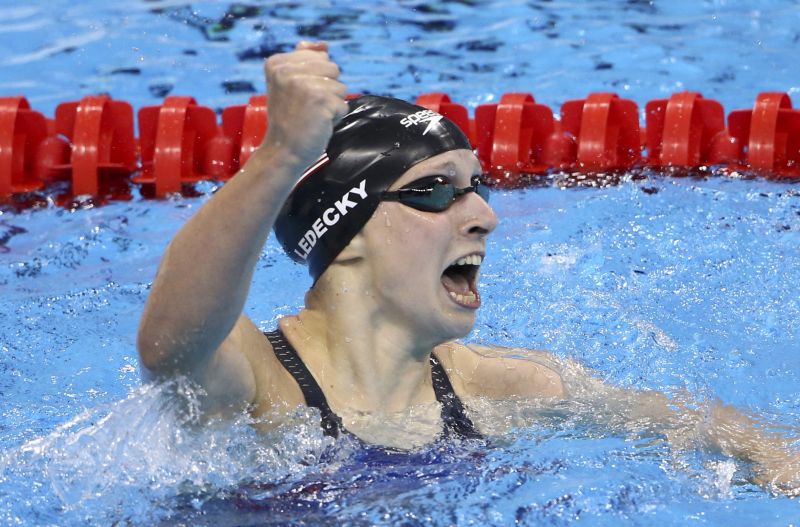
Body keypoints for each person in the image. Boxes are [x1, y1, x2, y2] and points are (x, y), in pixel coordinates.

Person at [138, 41, 799, 492]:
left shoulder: (499, 387)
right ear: (348, 230)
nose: (484, 213)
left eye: (477, 185)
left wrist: (772, 456)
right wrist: (282, 154)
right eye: (435, 189)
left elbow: (693, 420)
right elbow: (170, 343)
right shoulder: (261, 381)